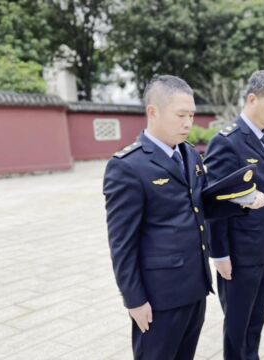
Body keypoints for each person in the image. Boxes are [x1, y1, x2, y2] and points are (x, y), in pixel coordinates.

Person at [103, 75, 214, 360]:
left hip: (195, 285)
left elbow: (200, 207)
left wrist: (241, 200)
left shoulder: (190, 155)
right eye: (181, 115)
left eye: (191, 115)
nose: (189, 123)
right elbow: (122, 243)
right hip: (159, 297)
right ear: (153, 112)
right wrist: (134, 299)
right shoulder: (128, 166)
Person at [204, 70, 264, 360]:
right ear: (252, 99)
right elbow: (214, 203)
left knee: (256, 322)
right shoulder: (227, 142)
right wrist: (220, 254)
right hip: (239, 254)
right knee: (237, 326)